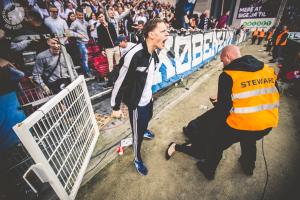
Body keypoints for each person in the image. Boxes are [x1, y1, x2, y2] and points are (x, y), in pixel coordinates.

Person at [166, 45, 279, 180]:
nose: (222, 63)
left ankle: (208, 169)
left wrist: (214, 108)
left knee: (216, 144)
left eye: (222, 60)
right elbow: (271, 93)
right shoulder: (266, 69)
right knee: (249, 140)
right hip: (267, 123)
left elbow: (223, 110)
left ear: (228, 57)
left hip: (241, 125)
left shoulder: (228, 75)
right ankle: (248, 167)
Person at [110, 18, 169, 176]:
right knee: (137, 134)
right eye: (163, 31)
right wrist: (115, 107)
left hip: (148, 98)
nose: (167, 34)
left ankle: (143, 130)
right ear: (151, 34)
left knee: (147, 117)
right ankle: (137, 158)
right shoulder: (134, 55)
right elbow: (119, 82)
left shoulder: (153, 52)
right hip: (136, 104)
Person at [0, 58, 30, 199]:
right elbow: (19, 75)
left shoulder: (7, 80)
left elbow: (19, 75)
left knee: (18, 162)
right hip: (10, 134)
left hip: (15, 127)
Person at [69, 7, 94, 78]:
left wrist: (91, 25)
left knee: (86, 58)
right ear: (76, 15)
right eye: (79, 15)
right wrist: (78, 35)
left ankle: (87, 70)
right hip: (81, 43)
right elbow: (69, 32)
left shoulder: (84, 21)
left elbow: (88, 24)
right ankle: (87, 72)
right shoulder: (74, 23)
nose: (81, 16)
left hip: (86, 42)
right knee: (85, 58)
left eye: (82, 15)